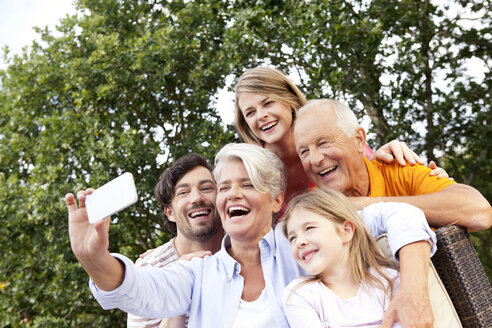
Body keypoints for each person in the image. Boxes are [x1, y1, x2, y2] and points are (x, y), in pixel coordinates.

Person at [65, 143, 436, 327]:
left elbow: (400, 214)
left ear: (276, 199)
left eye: (248, 184)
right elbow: (137, 292)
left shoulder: (304, 242)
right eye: (224, 187)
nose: (232, 195)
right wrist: (93, 259)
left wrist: (413, 286)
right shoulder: (198, 274)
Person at [234, 66, 447, 201]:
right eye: (250, 112)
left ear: (289, 100)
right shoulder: (250, 167)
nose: (260, 116)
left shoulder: (332, 132)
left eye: (268, 103)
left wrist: (429, 185)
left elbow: (372, 179)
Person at [293, 99, 492, 232]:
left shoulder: (399, 170)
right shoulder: (313, 212)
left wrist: (363, 205)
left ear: (359, 140)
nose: (315, 159)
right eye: (304, 151)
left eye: (324, 143)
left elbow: (479, 212)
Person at [126, 154, 224, 328]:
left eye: (207, 188)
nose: (196, 198)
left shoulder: (244, 253)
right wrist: (177, 282)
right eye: (183, 192)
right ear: (170, 212)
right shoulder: (149, 269)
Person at [282, 189, 401, 328]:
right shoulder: (300, 295)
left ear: (346, 231)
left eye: (309, 228)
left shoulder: (388, 281)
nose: (299, 242)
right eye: (292, 238)